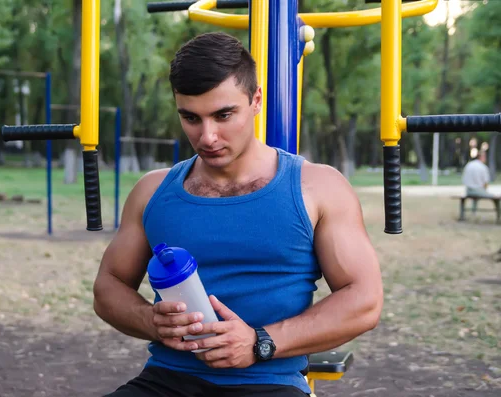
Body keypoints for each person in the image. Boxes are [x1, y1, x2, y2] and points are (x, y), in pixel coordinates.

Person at [93, 32, 383, 397]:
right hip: (166, 380)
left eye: (223, 114)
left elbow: (365, 299)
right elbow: (108, 287)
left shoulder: (318, 188)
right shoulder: (153, 191)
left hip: (267, 382)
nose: (208, 136)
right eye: (191, 118)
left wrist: (260, 342)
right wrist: (151, 321)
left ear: (256, 100)